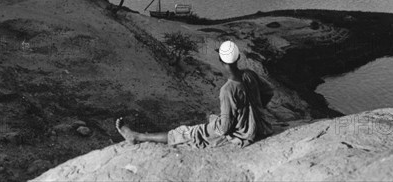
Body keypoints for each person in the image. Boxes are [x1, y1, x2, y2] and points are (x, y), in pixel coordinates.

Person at [115, 40, 275, 148]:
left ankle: (137, 137)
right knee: (213, 117)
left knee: (185, 132)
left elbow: (225, 129)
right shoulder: (249, 75)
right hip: (260, 127)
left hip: (244, 134)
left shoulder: (227, 90)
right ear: (238, 57)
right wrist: (254, 113)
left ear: (220, 60)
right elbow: (269, 92)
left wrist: (219, 124)